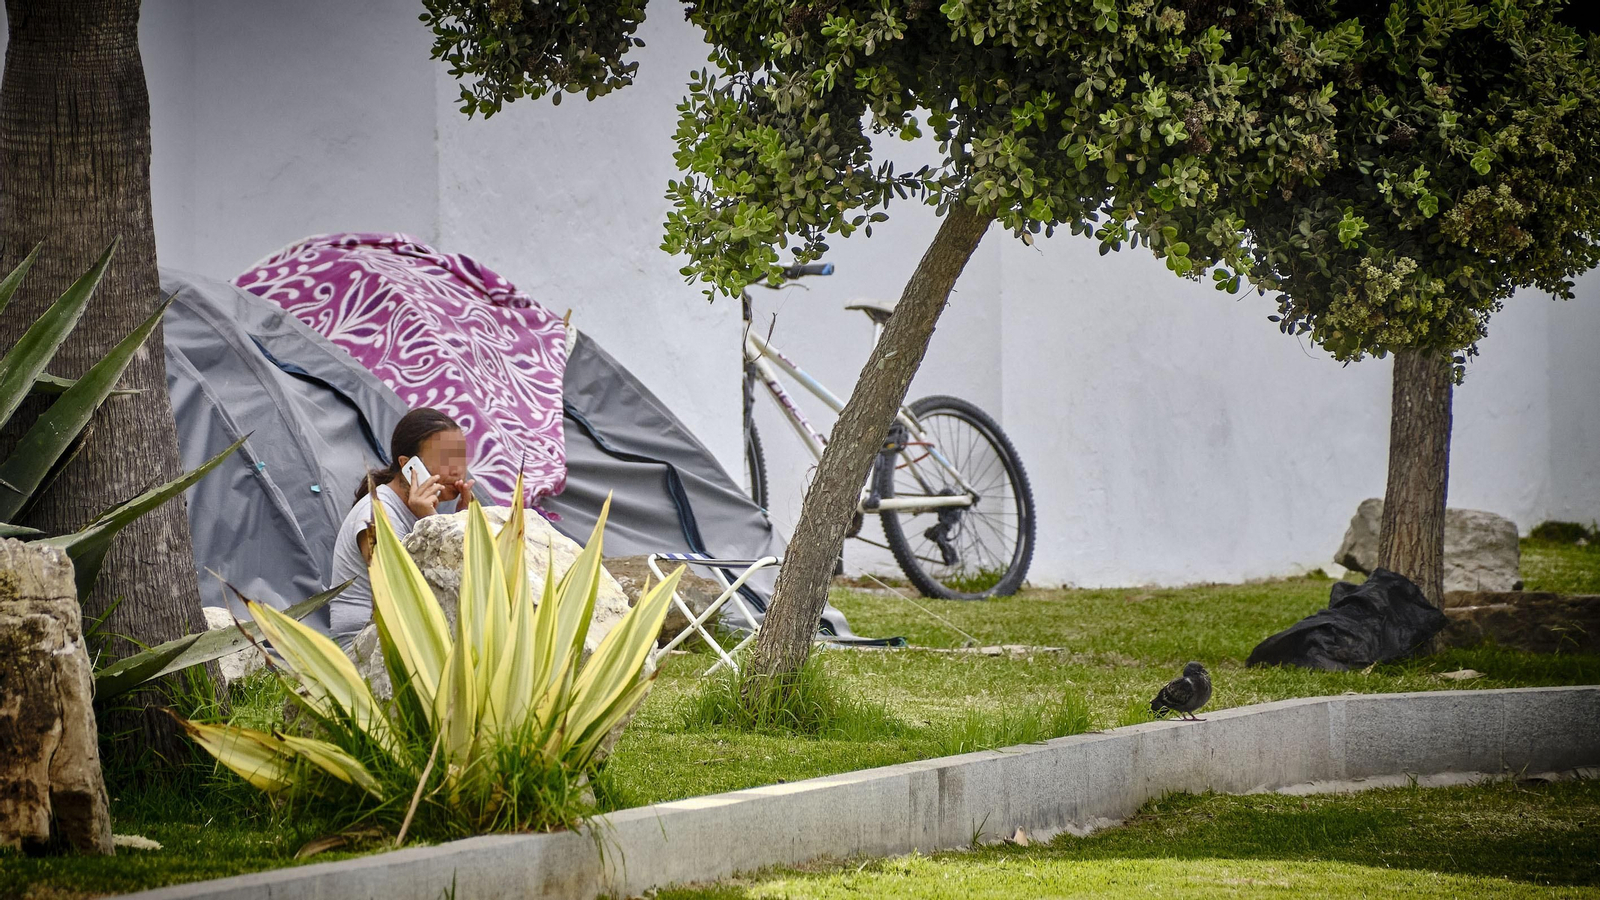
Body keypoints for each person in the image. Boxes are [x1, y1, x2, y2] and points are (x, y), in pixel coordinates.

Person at [328, 407, 474, 645]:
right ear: (409, 466)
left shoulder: (419, 509)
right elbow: (399, 585)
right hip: (363, 648)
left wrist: (460, 526)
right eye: (446, 459)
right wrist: (433, 524)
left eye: (461, 458)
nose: (458, 469)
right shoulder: (374, 515)